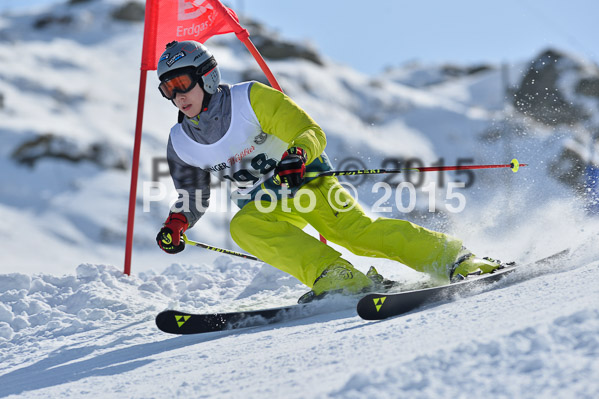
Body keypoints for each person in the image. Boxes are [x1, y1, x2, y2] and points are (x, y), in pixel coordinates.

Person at [155, 40, 502, 301]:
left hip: (307, 182)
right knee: (244, 228)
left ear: (207, 76)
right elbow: (193, 194)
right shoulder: (181, 142)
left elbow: (310, 132)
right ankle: (337, 277)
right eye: (168, 89)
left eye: (183, 83)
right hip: (265, 204)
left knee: (355, 234)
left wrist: (297, 154)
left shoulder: (250, 99)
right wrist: (177, 222)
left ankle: (456, 259)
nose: (178, 96)